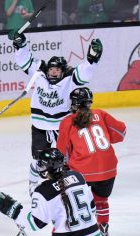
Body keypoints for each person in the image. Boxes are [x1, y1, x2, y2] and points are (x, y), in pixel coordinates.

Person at [8, 30, 103, 196]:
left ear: (62, 70)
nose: (53, 72)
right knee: (38, 160)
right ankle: (33, 185)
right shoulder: (39, 72)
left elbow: (85, 71)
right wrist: (20, 44)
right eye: (51, 69)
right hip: (40, 126)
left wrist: (92, 59)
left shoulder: (70, 77)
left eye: (57, 70)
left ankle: (69, 184)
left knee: (68, 158)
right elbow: (24, 60)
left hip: (62, 126)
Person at [56, 87, 126, 236]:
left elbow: (61, 152)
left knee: (75, 202)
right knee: (101, 201)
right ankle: (103, 231)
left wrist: (65, 169)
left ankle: (77, 234)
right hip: (108, 169)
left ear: (73, 104)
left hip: (83, 172)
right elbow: (121, 132)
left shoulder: (68, 121)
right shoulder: (101, 114)